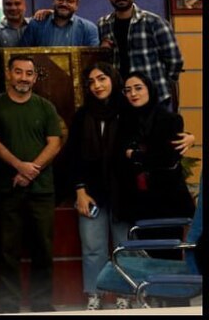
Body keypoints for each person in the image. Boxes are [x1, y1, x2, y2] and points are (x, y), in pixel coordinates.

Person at [0, 54, 63, 314]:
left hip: (41, 191)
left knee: (42, 249)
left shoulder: (45, 107)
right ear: (9, 74)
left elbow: (54, 143)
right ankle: (9, 306)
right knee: (7, 251)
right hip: (7, 189)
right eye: (18, 72)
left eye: (29, 73)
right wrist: (18, 166)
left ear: (35, 78)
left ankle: (41, 304)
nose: (23, 78)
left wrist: (31, 171)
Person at [66, 62, 132, 311]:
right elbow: (73, 156)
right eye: (91, 81)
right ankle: (95, 295)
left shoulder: (129, 111)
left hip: (123, 194)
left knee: (125, 248)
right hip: (91, 194)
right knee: (93, 248)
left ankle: (126, 295)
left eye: (102, 79)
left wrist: (188, 136)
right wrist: (80, 191)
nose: (97, 85)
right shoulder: (82, 115)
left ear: (113, 79)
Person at [116, 73, 196, 231]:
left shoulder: (170, 119)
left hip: (169, 197)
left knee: (169, 243)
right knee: (144, 243)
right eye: (128, 90)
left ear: (149, 89)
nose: (133, 94)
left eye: (138, 88)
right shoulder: (124, 121)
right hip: (139, 199)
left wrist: (134, 155)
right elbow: (119, 155)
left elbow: (167, 158)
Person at [97, 0, 184, 112]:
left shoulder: (154, 22)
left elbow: (174, 60)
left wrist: (161, 84)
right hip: (121, 98)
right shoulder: (103, 24)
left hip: (153, 97)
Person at [20, 0, 100, 47]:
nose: (64, 4)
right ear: (54, 0)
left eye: (69, 1)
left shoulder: (89, 29)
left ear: (77, 4)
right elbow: (22, 55)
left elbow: (94, 59)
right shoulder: (35, 25)